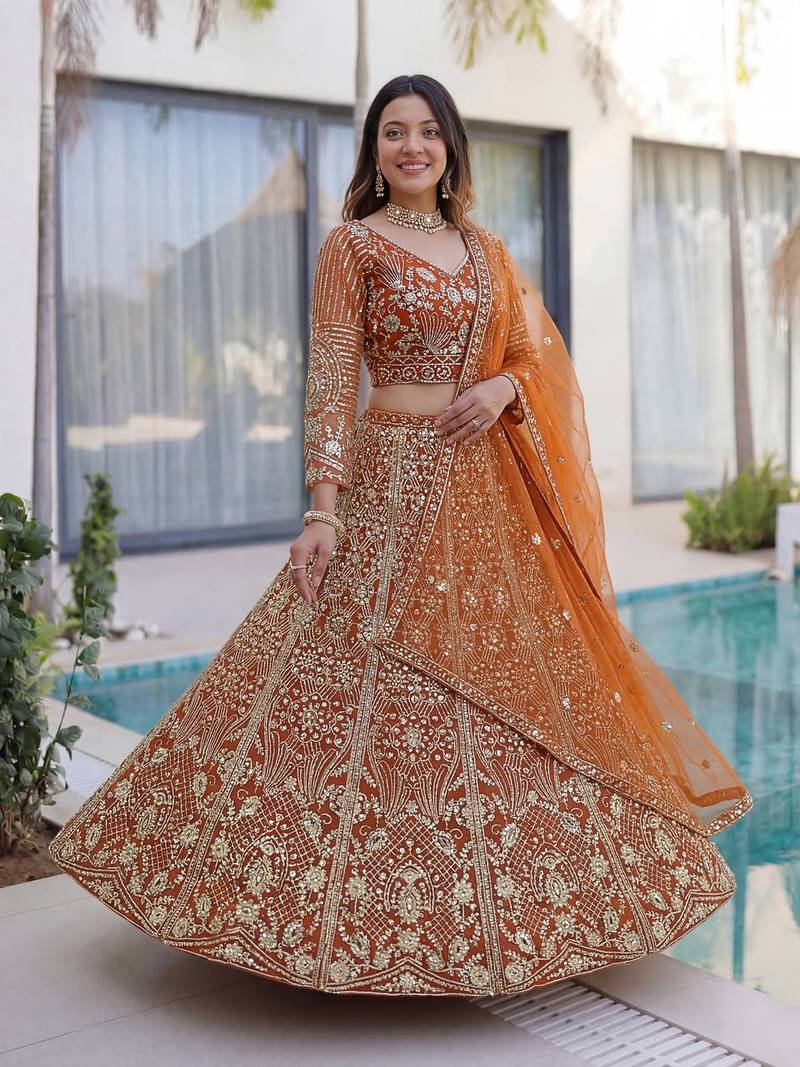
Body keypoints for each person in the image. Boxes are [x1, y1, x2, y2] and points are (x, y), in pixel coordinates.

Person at [49, 74, 753, 997]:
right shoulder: (351, 245)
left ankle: (518, 918)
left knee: (507, 684)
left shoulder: (487, 250)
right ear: (375, 151)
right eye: (393, 132)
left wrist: (503, 387)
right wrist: (323, 508)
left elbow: (531, 351)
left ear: (450, 146)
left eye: (427, 131)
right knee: (362, 684)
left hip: (486, 490)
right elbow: (331, 375)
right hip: (388, 483)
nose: (411, 146)